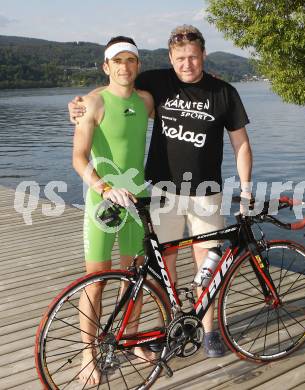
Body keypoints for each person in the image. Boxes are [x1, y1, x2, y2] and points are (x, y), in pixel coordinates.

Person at [69, 25, 253, 358]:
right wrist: (82, 103)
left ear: (203, 56)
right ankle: (116, 344)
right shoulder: (147, 86)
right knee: (134, 274)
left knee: (190, 266)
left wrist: (247, 187)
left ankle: (198, 332)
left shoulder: (213, 93)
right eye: (180, 58)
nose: (187, 64)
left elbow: (240, 143)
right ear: (170, 58)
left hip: (193, 193)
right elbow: (113, 92)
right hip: (144, 195)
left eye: (193, 57)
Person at [72, 35, 154, 385]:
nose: (124, 67)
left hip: (137, 202)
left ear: (137, 66)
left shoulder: (147, 100)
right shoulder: (93, 103)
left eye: (130, 61)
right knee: (97, 282)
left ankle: (130, 339)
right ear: (107, 67)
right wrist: (105, 187)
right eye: (117, 61)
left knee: (135, 276)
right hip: (103, 203)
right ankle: (89, 354)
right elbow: (78, 158)